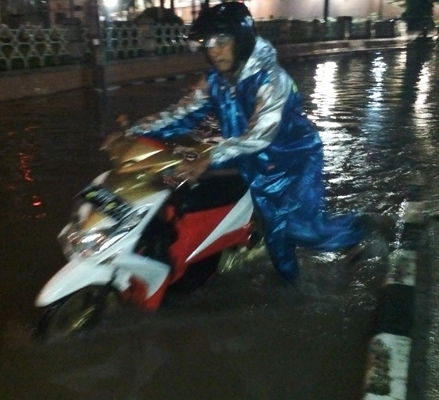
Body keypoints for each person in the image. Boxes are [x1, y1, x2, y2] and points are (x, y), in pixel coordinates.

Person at [104, 2, 365, 282]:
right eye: (207, 43)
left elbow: (259, 136)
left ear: (241, 41)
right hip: (247, 159)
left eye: (221, 41)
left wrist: (209, 157)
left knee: (300, 230)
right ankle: (289, 286)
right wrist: (133, 131)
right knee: (273, 232)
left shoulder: (272, 80)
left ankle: (358, 231)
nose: (213, 50)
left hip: (292, 162)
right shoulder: (216, 80)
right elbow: (182, 114)